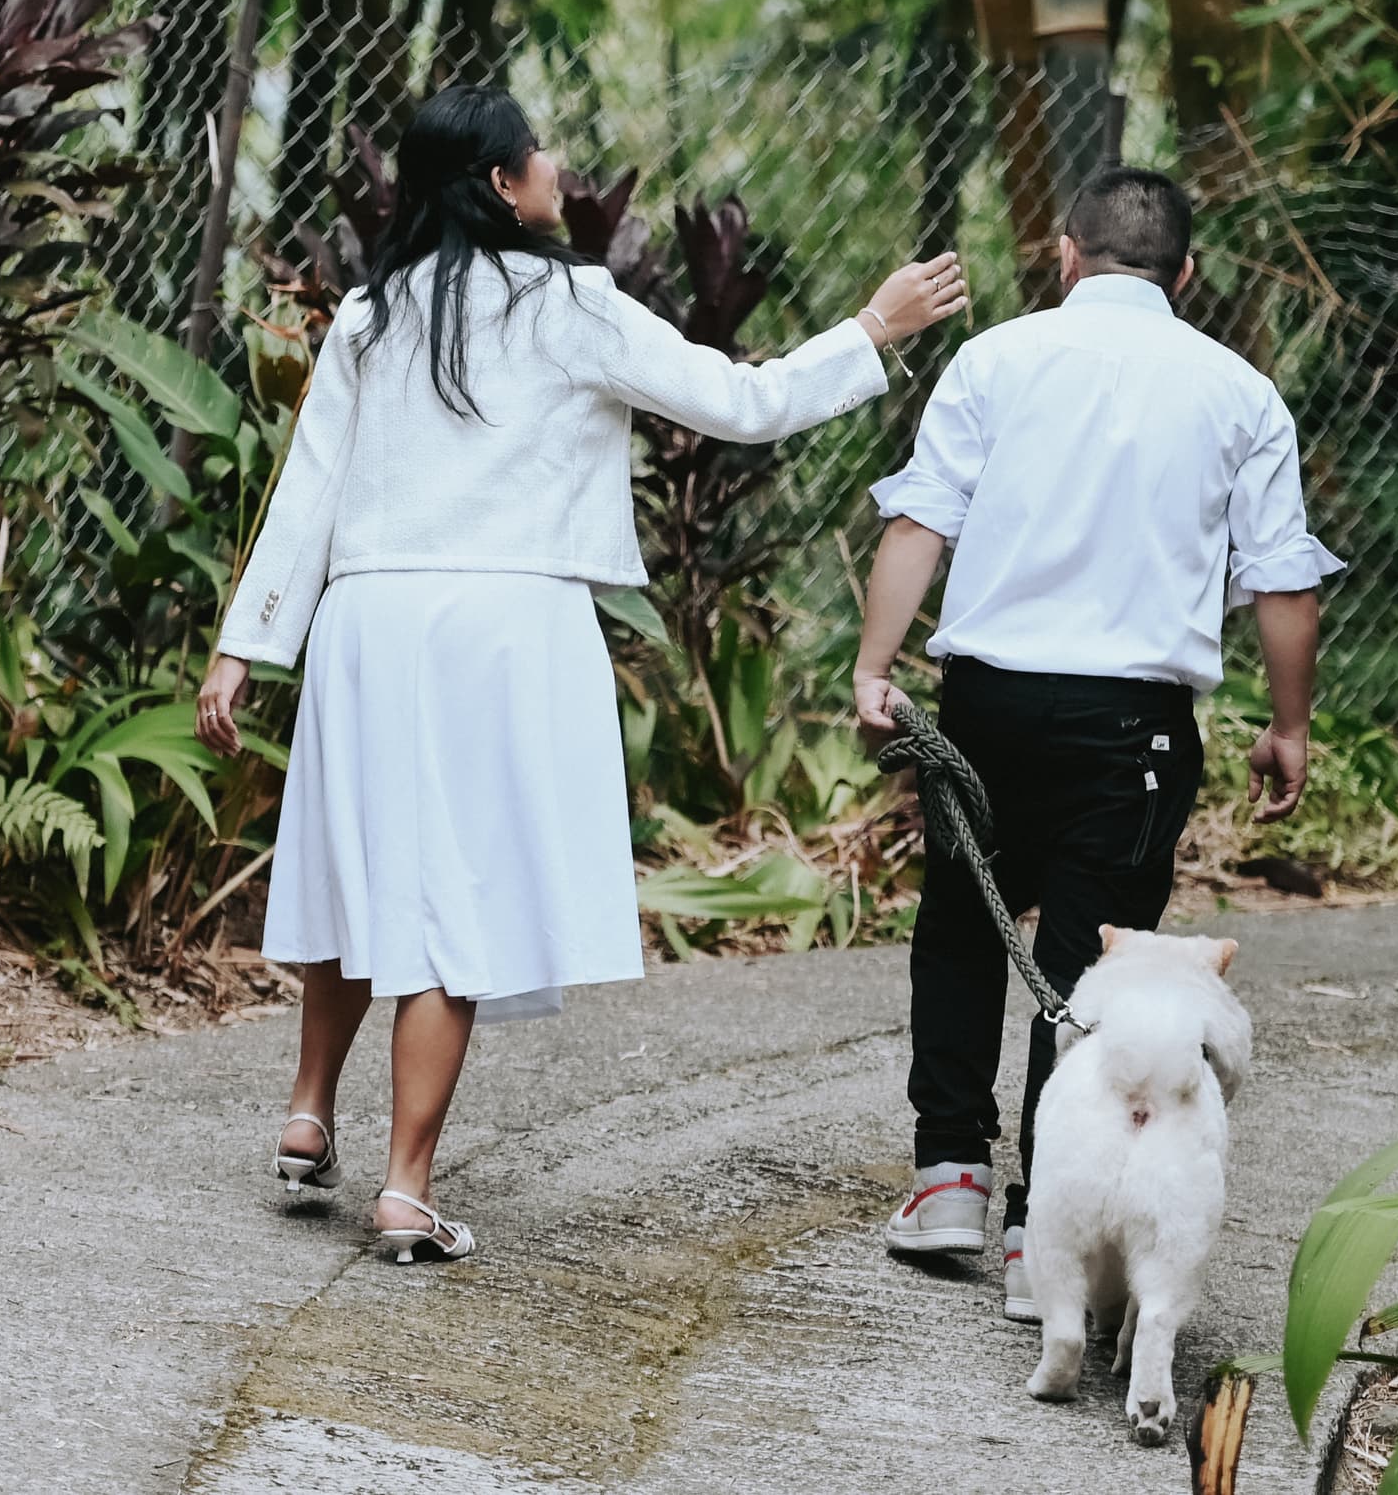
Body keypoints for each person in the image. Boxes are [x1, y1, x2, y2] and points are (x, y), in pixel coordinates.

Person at [193, 83, 968, 1265]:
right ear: (503, 184)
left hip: (367, 620)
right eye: (536, 150)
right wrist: (872, 326)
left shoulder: (369, 312)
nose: (556, 163)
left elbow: (308, 491)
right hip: (505, 624)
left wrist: (246, 642)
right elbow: (741, 403)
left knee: (366, 866)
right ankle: (405, 1185)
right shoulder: (573, 303)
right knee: (457, 901)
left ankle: (309, 1108)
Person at [850, 163, 1339, 1321]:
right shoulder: (1239, 390)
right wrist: (1288, 723)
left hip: (988, 707)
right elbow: (1282, 581)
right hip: (1136, 729)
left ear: (1065, 255)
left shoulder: (997, 358)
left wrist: (877, 665)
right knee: (1083, 970)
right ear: (1188, 271)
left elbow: (921, 520)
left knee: (963, 930)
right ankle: (1041, 1245)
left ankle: (950, 1178)